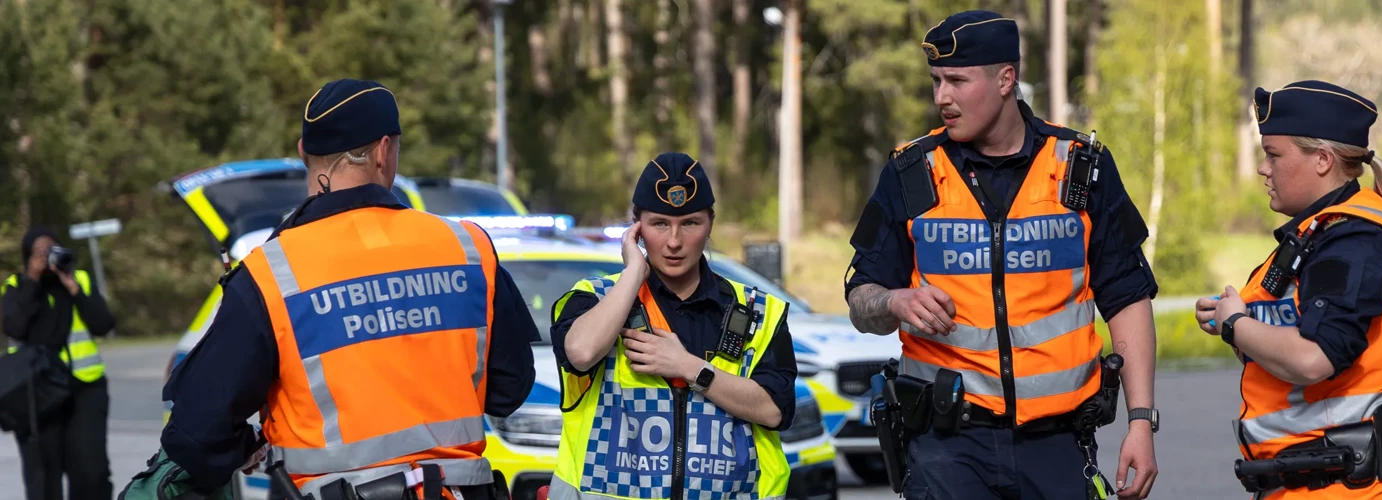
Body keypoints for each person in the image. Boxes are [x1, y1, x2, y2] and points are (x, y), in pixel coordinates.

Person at [160, 79, 537, 500]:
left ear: (305, 154)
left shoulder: (272, 273)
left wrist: (250, 448)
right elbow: (510, 390)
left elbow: (194, 431)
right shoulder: (467, 247)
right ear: (382, 150)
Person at [843, 10, 1160, 500]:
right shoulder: (911, 173)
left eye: (956, 80)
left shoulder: (1078, 166)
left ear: (1006, 79)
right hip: (947, 446)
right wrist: (894, 303)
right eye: (935, 81)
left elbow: (1128, 297)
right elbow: (861, 298)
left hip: (1057, 443)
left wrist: (1141, 422)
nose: (941, 97)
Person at [1195, 80, 1382, 499]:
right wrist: (1234, 320)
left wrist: (1235, 323)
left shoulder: (1358, 238)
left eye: (1273, 154)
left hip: (1352, 488)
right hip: (1311, 484)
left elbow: (1313, 358)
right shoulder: (1319, 234)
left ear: (1322, 159)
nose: (1262, 168)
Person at [544, 152, 798, 500]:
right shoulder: (594, 298)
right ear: (636, 226)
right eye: (660, 224)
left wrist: (689, 367)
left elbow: (774, 410)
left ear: (710, 222)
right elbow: (582, 352)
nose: (675, 241)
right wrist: (634, 272)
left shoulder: (756, 311)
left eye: (690, 223)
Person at [2, 228, 115, 500]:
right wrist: (32, 278)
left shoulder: (80, 280)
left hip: (84, 388)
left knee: (91, 472)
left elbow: (104, 324)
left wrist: (72, 285)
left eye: (51, 250)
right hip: (36, 394)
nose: (46, 258)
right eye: (39, 252)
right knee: (43, 475)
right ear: (27, 257)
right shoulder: (16, 287)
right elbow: (15, 328)